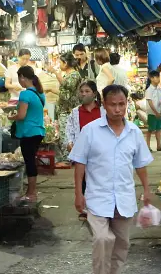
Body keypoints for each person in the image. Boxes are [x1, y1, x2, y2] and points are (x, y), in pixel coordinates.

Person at [69, 84, 153, 274]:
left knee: (122, 245)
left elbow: (140, 164)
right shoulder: (90, 131)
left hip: (124, 198)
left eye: (121, 104)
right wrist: (78, 194)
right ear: (104, 105)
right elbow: (79, 164)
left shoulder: (134, 132)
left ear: (126, 104)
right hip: (98, 197)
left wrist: (147, 189)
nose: (117, 109)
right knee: (103, 239)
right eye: (113, 104)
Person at [64, 80, 103, 220]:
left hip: (100, 150)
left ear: (94, 93)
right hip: (83, 151)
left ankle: (101, 207)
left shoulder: (103, 111)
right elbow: (69, 130)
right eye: (81, 92)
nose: (84, 94)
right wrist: (69, 143)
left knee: (99, 178)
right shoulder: (75, 112)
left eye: (87, 91)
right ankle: (85, 209)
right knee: (83, 179)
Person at [9, 65, 46, 203]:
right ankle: (31, 191)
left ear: (22, 77)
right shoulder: (39, 93)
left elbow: (22, 115)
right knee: (31, 161)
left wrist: (11, 117)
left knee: (29, 162)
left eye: (19, 78)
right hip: (38, 131)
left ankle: (31, 193)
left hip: (28, 132)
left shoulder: (25, 94)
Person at [53, 53, 82, 161]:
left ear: (66, 63)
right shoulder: (69, 74)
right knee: (65, 133)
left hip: (68, 110)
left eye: (60, 62)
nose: (59, 65)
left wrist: (55, 72)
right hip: (64, 109)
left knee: (66, 134)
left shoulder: (74, 75)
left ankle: (68, 159)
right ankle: (68, 158)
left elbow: (67, 86)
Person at [144, 71, 161, 152]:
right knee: (150, 129)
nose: (158, 79)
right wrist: (156, 112)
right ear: (151, 78)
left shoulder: (159, 89)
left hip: (158, 112)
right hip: (152, 113)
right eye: (156, 77)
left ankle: (159, 145)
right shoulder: (149, 90)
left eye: (158, 77)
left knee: (158, 129)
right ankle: (147, 145)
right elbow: (150, 102)